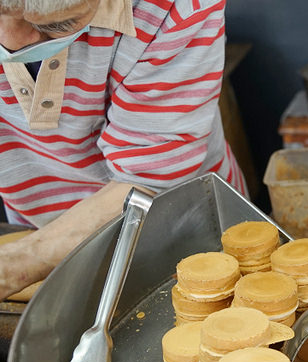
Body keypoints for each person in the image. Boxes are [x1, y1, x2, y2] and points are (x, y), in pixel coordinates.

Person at [0, 0, 243, 300]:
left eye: (55, 25)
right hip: (36, 228)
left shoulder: (178, 6)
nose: (11, 43)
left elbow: (146, 180)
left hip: (181, 229)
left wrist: (16, 266)